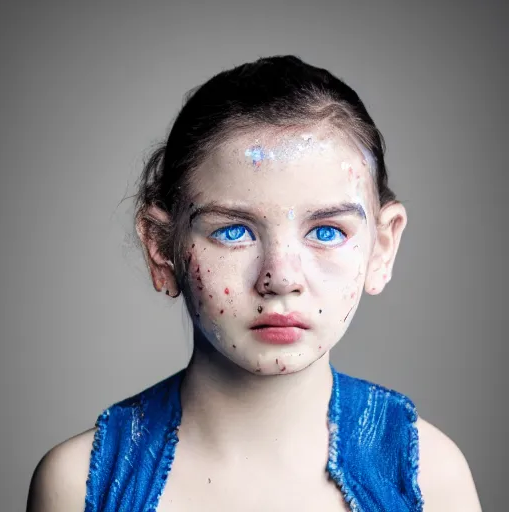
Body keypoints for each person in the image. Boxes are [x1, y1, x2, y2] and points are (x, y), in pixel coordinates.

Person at [27, 55, 482, 511]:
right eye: (233, 232)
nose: (280, 278)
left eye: (326, 232)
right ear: (161, 248)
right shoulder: (79, 485)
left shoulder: (431, 479)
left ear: (382, 247)